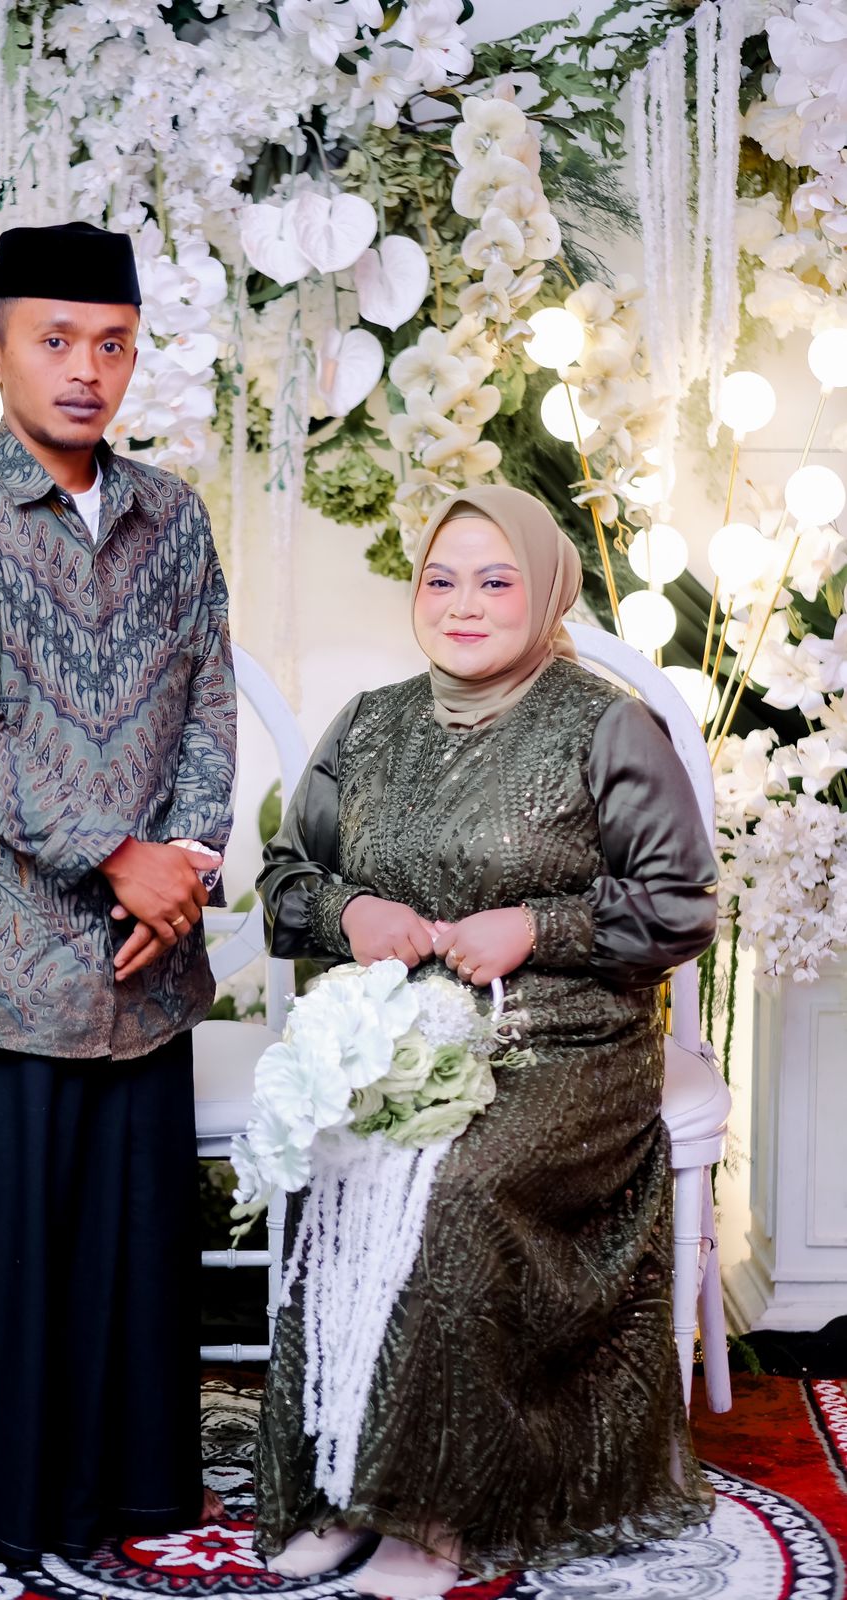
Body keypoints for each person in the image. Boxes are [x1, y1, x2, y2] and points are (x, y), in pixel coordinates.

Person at [0, 221, 236, 1571]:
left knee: (127, 1246)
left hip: (144, 953)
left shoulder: (173, 518)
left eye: (112, 344)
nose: (86, 369)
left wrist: (185, 862)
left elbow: (210, 703)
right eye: (56, 339)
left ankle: (118, 1485)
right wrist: (119, 856)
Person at [253, 485, 718, 1593]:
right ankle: (340, 1478)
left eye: (496, 581)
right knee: (343, 1162)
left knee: (457, 1184)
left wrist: (539, 928)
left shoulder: (606, 725)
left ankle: (434, 1511)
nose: (462, 605)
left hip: (566, 1044)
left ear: (546, 592)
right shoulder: (369, 722)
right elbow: (283, 881)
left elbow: (682, 905)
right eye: (441, 579)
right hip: (401, 1038)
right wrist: (349, 914)